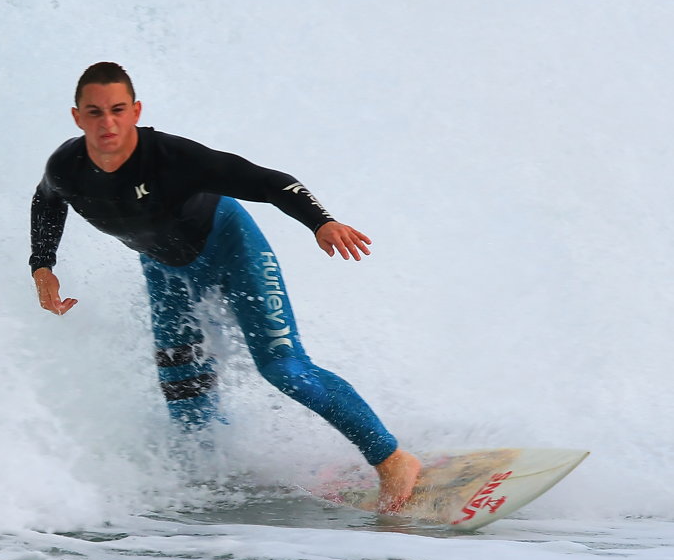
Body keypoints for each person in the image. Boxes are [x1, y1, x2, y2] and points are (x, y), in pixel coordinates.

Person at [29, 62, 421, 512]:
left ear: (136, 110)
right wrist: (43, 266)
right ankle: (220, 481)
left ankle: (392, 459)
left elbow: (269, 182)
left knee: (285, 369)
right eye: (94, 113)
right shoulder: (67, 166)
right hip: (165, 272)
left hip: (232, 248)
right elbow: (47, 200)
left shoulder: (173, 159)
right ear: (77, 117)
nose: (107, 123)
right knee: (184, 394)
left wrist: (322, 222)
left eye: (118, 110)